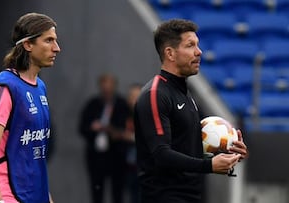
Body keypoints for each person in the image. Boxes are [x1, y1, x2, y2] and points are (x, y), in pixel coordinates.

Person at [134, 19, 248, 203]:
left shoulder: (185, 95)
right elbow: (161, 154)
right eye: (190, 45)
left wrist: (229, 152)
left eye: (198, 45)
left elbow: (189, 149)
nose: (199, 51)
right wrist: (209, 165)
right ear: (170, 53)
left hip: (191, 197)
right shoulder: (155, 94)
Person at [0, 12, 60, 203]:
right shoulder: (5, 87)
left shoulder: (40, 88)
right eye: (48, 40)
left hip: (34, 194)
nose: (56, 48)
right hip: (7, 194)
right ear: (28, 44)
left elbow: (35, 153)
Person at [79, 73, 130, 203]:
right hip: (96, 156)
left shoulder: (121, 104)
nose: (107, 89)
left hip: (116, 155)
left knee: (117, 192)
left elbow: (125, 129)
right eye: (104, 86)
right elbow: (82, 127)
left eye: (109, 85)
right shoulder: (93, 104)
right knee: (97, 191)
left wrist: (108, 128)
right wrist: (92, 128)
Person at [123, 83, 142, 203]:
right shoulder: (122, 114)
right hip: (127, 166)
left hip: (146, 168)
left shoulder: (150, 116)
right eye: (132, 96)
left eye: (137, 96)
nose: (134, 99)